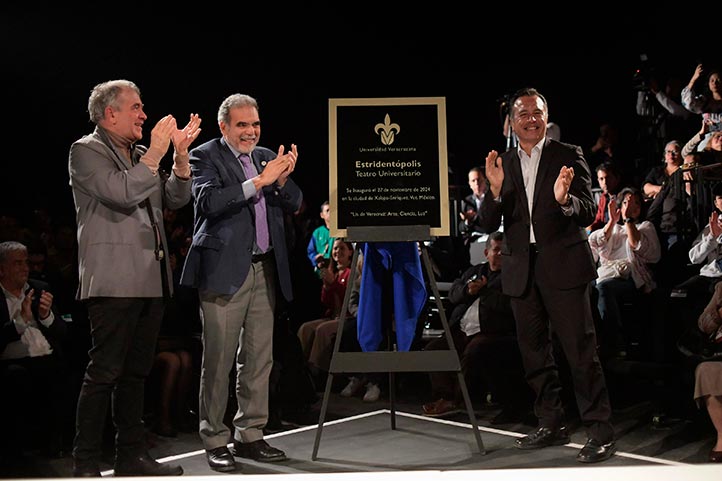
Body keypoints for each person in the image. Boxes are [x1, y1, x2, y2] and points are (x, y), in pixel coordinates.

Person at [68, 79, 201, 477]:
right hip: (112, 282)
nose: (145, 115)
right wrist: (156, 153)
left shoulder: (142, 154)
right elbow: (121, 192)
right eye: (137, 108)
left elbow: (175, 199)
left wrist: (178, 158)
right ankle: (86, 461)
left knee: (135, 374)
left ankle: (131, 455)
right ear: (110, 113)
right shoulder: (85, 151)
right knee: (104, 372)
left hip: (150, 279)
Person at [480, 87, 616, 463]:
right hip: (521, 270)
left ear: (546, 115)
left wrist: (564, 200)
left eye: (537, 112)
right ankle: (551, 423)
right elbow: (488, 222)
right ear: (511, 121)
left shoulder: (567, 154)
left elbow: (589, 210)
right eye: (523, 113)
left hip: (564, 266)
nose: (531, 119)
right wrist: (492, 192)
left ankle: (600, 432)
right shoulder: (503, 163)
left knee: (580, 352)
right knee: (534, 355)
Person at [179, 93, 302, 473]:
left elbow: (295, 202)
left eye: (255, 124)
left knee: (258, 359)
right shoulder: (204, 156)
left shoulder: (266, 155)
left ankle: (250, 434)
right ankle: (214, 438)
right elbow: (208, 203)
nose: (251, 132)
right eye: (242, 125)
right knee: (217, 361)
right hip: (223, 271)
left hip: (264, 268)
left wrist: (279, 181)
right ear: (224, 127)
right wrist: (257, 182)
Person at [421, 231, 532, 424]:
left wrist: (485, 291)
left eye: (503, 251)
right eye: (495, 250)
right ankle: (445, 396)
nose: (499, 255)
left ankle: (456, 400)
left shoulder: (512, 276)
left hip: (491, 331)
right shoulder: (474, 272)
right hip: (462, 328)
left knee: (475, 352)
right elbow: (454, 293)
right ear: (486, 252)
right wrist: (467, 290)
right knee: (434, 350)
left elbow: (509, 306)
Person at [0, 241, 67, 460]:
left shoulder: (39, 289)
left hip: (45, 356)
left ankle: (55, 443)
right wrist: (19, 323)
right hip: (11, 362)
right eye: (17, 263)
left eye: (26, 262)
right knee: (18, 377)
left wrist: (47, 315)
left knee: (62, 369)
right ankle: (16, 450)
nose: (25, 268)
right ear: (1, 269)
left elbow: (62, 331)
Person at [588, 187, 662, 358]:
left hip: (631, 277)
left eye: (636, 203)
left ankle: (615, 343)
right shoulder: (613, 228)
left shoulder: (645, 226)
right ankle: (594, 343)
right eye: (627, 202)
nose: (632, 206)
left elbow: (642, 247)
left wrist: (628, 219)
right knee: (587, 288)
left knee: (604, 289)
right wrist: (613, 221)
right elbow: (595, 242)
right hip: (606, 273)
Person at [458, 166, 489, 246]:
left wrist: (475, 216)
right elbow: (460, 227)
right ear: (469, 184)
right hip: (473, 242)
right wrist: (468, 221)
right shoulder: (465, 202)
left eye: (479, 180)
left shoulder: (493, 199)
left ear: (485, 181)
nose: (476, 183)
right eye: (473, 181)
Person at [307, 200, 335, 277]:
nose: (330, 212)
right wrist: (315, 259)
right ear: (322, 215)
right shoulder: (317, 232)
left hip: (337, 270)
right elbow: (311, 251)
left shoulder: (340, 231)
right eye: (327, 210)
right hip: (322, 270)